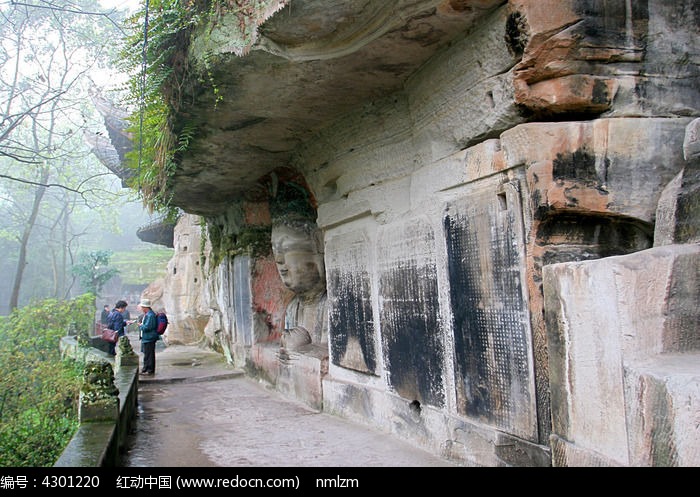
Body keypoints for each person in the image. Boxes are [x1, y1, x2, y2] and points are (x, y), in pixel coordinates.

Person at [271, 215, 328, 351]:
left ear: (318, 245)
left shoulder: (330, 307)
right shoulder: (292, 308)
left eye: (286, 248)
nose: (278, 259)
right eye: (274, 250)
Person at [138, 298, 159, 375]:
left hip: (149, 338)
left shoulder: (150, 315)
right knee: (147, 354)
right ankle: (145, 368)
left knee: (149, 355)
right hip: (146, 338)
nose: (141, 308)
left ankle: (149, 369)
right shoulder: (148, 314)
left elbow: (148, 327)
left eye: (142, 307)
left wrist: (140, 326)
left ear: (145, 307)